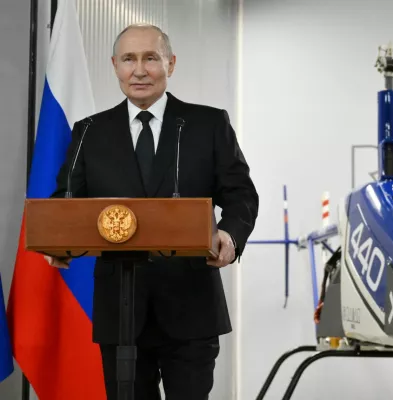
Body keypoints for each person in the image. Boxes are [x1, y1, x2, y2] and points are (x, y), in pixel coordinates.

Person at [46, 24, 258, 400]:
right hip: (121, 310)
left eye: (151, 58)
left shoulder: (208, 124)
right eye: (129, 59)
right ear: (115, 66)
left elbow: (241, 194)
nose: (139, 70)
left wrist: (229, 234)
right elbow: (65, 200)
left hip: (192, 305)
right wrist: (57, 241)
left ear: (171, 64)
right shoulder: (90, 132)